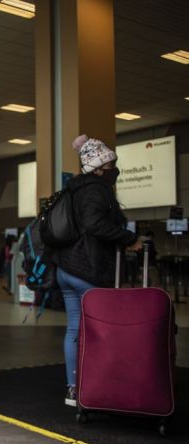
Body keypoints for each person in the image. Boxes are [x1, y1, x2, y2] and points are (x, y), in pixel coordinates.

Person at [55, 134, 141, 407]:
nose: (115, 168)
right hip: (87, 269)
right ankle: (99, 385)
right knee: (98, 331)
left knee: (74, 330)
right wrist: (128, 239)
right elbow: (94, 225)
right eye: (112, 164)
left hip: (66, 268)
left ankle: (74, 388)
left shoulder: (73, 189)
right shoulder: (97, 189)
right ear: (101, 167)